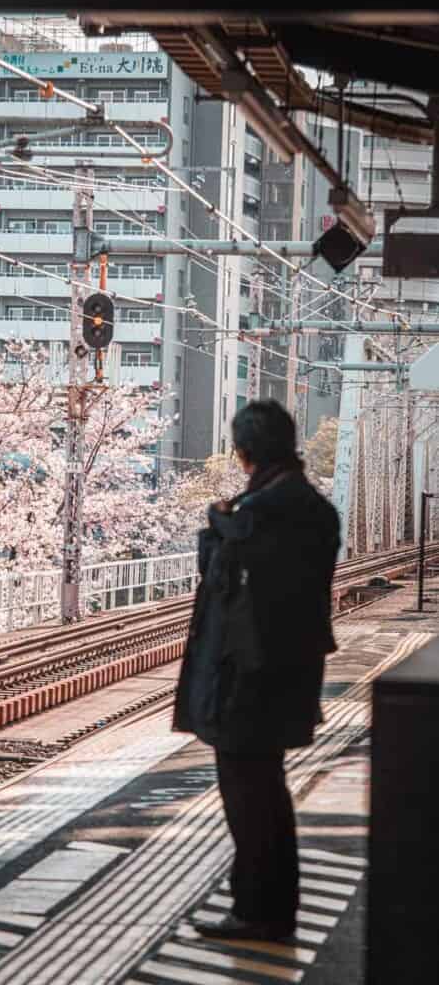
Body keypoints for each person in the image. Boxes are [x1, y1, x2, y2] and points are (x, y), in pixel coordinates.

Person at [173, 400, 340, 941]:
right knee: (263, 792)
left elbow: (239, 596)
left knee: (251, 797)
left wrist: (223, 524)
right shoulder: (308, 507)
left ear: (246, 451)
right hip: (282, 672)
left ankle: (260, 913)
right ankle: (266, 907)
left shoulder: (265, 513)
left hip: (250, 678)